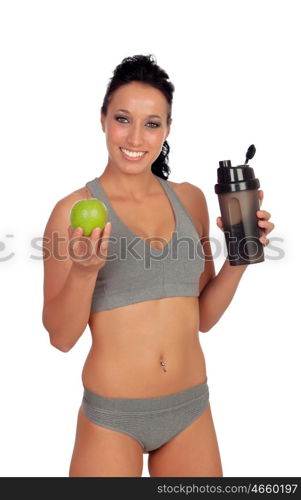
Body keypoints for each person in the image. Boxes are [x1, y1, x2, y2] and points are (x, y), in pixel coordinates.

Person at [42, 54, 275, 477]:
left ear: (167, 130)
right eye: (123, 118)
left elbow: (201, 317)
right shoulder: (74, 211)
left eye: (152, 124)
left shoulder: (189, 200)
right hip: (112, 420)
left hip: (190, 410)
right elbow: (60, 337)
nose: (135, 136)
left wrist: (242, 258)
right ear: (102, 120)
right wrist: (83, 271)